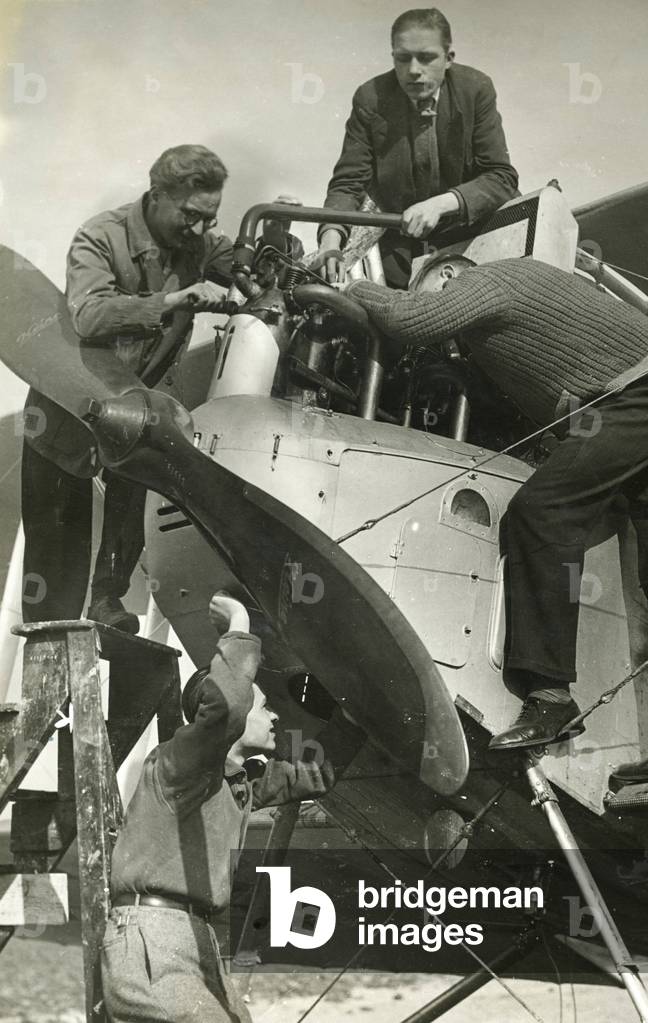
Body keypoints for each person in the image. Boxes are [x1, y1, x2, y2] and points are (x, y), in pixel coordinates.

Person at [343, 256, 648, 788]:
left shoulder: (486, 278)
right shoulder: (508, 318)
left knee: (542, 513)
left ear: (446, 279)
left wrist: (352, 286)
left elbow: (407, 320)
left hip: (640, 390)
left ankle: (550, 696)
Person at [101, 592, 351, 1022]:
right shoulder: (179, 764)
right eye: (265, 706)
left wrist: (357, 715)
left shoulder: (235, 781)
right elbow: (229, 707)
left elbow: (315, 775)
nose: (274, 716)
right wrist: (238, 623)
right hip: (150, 937)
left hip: (192, 939)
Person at [21, 144, 232, 633]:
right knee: (56, 557)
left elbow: (240, 254)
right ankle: (49, 648)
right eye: (192, 216)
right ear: (158, 195)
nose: (201, 230)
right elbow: (89, 315)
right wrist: (173, 299)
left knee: (134, 500)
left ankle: (107, 599)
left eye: (210, 219)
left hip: (133, 415)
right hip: (66, 416)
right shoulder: (99, 237)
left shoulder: (197, 241)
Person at [317, 7, 519, 288]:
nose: (413, 70)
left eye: (426, 58)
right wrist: (330, 243)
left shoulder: (476, 89)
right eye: (403, 58)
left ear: (448, 59)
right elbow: (348, 183)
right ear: (393, 58)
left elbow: (501, 177)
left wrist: (439, 205)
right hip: (402, 246)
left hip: (475, 238)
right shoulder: (369, 98)